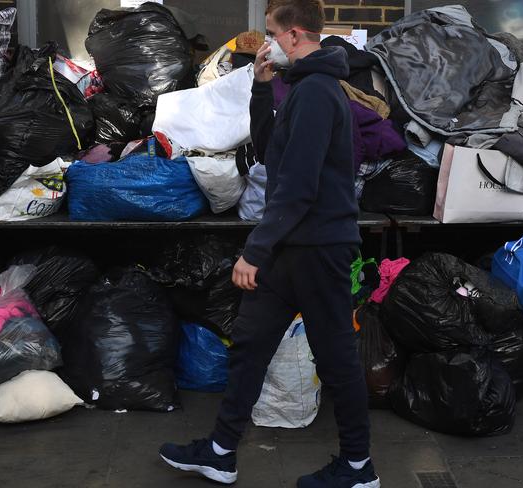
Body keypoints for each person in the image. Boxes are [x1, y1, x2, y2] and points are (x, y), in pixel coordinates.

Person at [159, 1, 379, 487]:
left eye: (272, 34)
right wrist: (261, 89)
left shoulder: (319, 92)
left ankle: (359, 468)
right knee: (251, 344)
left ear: (296, 35)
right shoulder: (299, 89)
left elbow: (298, 186)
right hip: (292, 249)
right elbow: (269, 151)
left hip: (319, 248)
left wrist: (255, 250)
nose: (266, 43)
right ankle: (220, 451)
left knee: (336, 358)